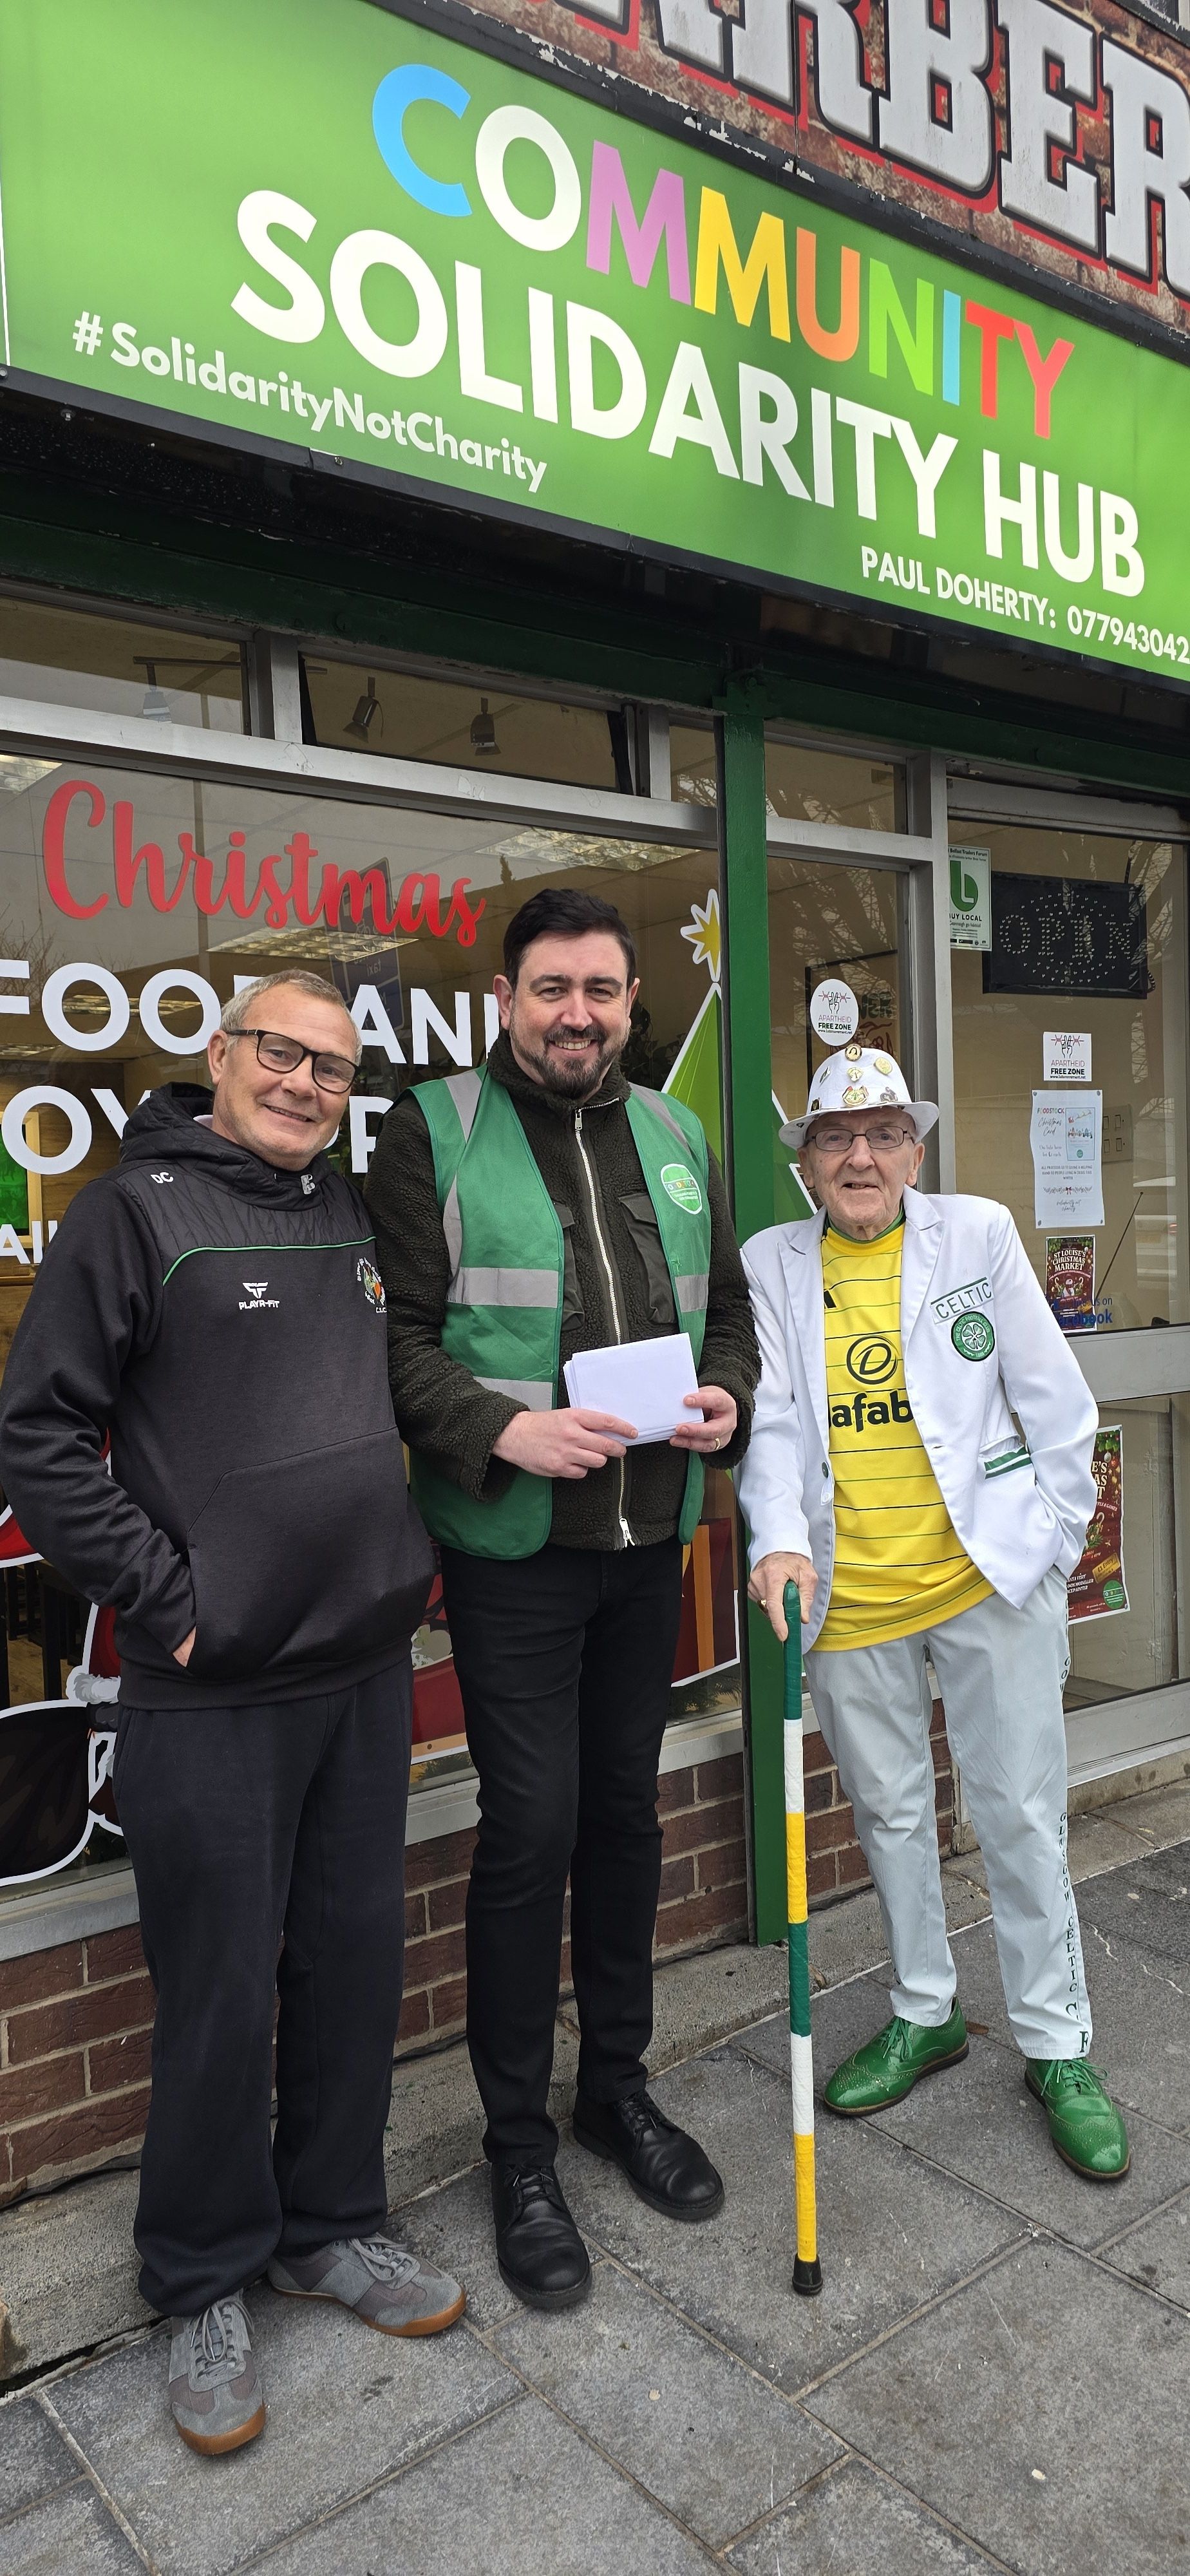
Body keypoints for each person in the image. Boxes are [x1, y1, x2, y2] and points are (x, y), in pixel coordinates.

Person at [0, 972, 464, 2457]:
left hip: (357, 1671)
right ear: (221, 1053)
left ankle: (329, 2222)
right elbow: (40, 1437)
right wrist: (172, 1596)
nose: (304, 1080)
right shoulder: (131, 1214)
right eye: (281, 1050)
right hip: (210, 1683)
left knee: (350, 1960)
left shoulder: (344, 1217)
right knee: (214, 1986)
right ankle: (199, 2271)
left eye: (331, 1065)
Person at [367, 889, 760, 2308]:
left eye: (601, 987)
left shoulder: (675, 1131)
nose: (578, 1012)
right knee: (529, 1829)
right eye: (552, 988)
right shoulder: (436, 1130)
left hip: (646, 1536)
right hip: (512, 1545)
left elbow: (725, 1309)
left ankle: (617, 2088)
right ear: (506, 995)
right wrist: (496, 1428)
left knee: (626, 1814)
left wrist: (732, 1393)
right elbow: (395, 1338)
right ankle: (517, 2144)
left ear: (630, 995)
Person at [738, 1044, 1130, 2181]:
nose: (861, 1155)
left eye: (884, 1133)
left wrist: (1055, 1545)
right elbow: (768, 1425)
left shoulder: (980, 1234)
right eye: (835, 1137)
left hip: (984, 1580)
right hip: (850, 1590)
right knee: (894, 1818)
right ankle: (927, 2008)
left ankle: (1057, 2043)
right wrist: (775, 1543)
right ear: (806, 1161)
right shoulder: (772, 1263)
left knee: (1018, 1812)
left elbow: (1055, 1396)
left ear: (916, 1148)